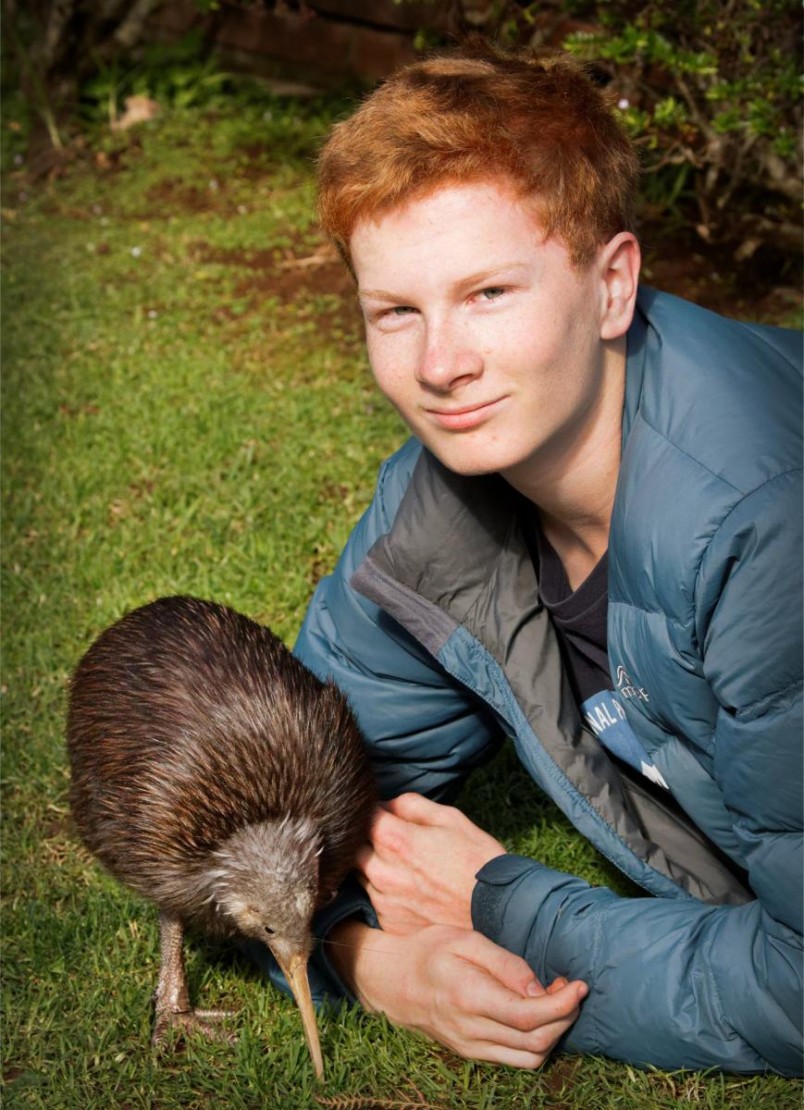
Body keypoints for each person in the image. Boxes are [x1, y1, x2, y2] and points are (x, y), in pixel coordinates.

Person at [255, 43, 803, 1074]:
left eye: (490, 293)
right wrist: (372, 962)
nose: (439, 364)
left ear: (612, 286)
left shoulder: (764, 525)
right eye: (397, 311)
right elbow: (276, 821)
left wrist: (503, 904)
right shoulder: (430, 517)